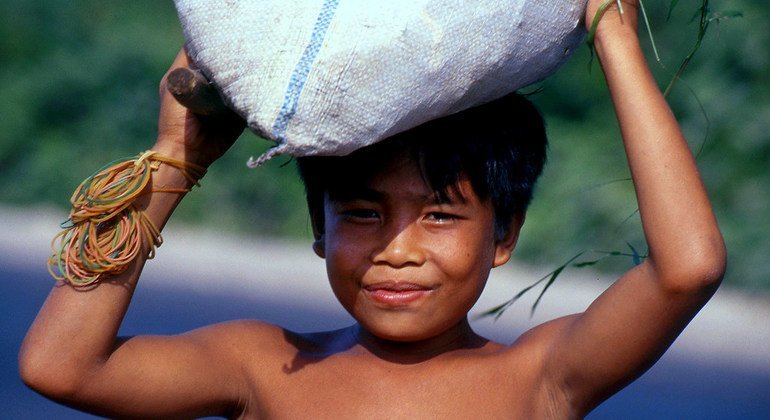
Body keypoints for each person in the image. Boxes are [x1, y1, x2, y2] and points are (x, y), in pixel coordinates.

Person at [19, 1, 725, 418]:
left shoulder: (541, 378)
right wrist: (175, 159)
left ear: (505, 234)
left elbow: (687, 269)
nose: (398, 249)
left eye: (442, 216)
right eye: (361, 213)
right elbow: (62, 367)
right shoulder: (262, 366)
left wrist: (616, 38)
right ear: (318, 231)